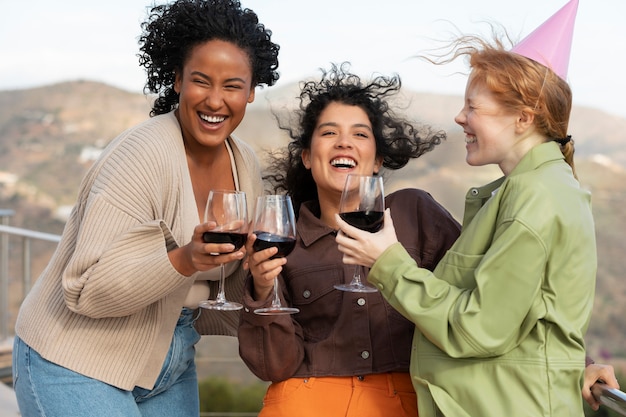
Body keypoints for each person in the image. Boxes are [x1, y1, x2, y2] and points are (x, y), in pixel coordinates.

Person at [334, 1, 619, 415]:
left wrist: (389, 263)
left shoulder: (536, 197)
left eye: (473, 107)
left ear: (523, 118)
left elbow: (480, 328)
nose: (460, 117)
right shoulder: (528, 190)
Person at [12, 0, 279, 416]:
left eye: (232, 85)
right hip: (74, 357)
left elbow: (230, 280)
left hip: (168, 363)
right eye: (200, 81)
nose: (215, 100)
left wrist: (259, 284)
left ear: (251, 92)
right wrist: (184, 258)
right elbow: (84, 289)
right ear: (176, 80)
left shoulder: (245, 163)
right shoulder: (141, 154)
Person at [237, 63, 461, 417]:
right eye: (329, 133)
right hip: (305, 403)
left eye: (360, 134)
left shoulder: (415, 215)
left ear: (378, 161)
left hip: (406, 401)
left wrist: (579, 364)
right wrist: (263, 291)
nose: (344, 142)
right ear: (308, 158)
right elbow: (275, 367)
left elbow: (492, 294)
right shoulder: (284, 239)